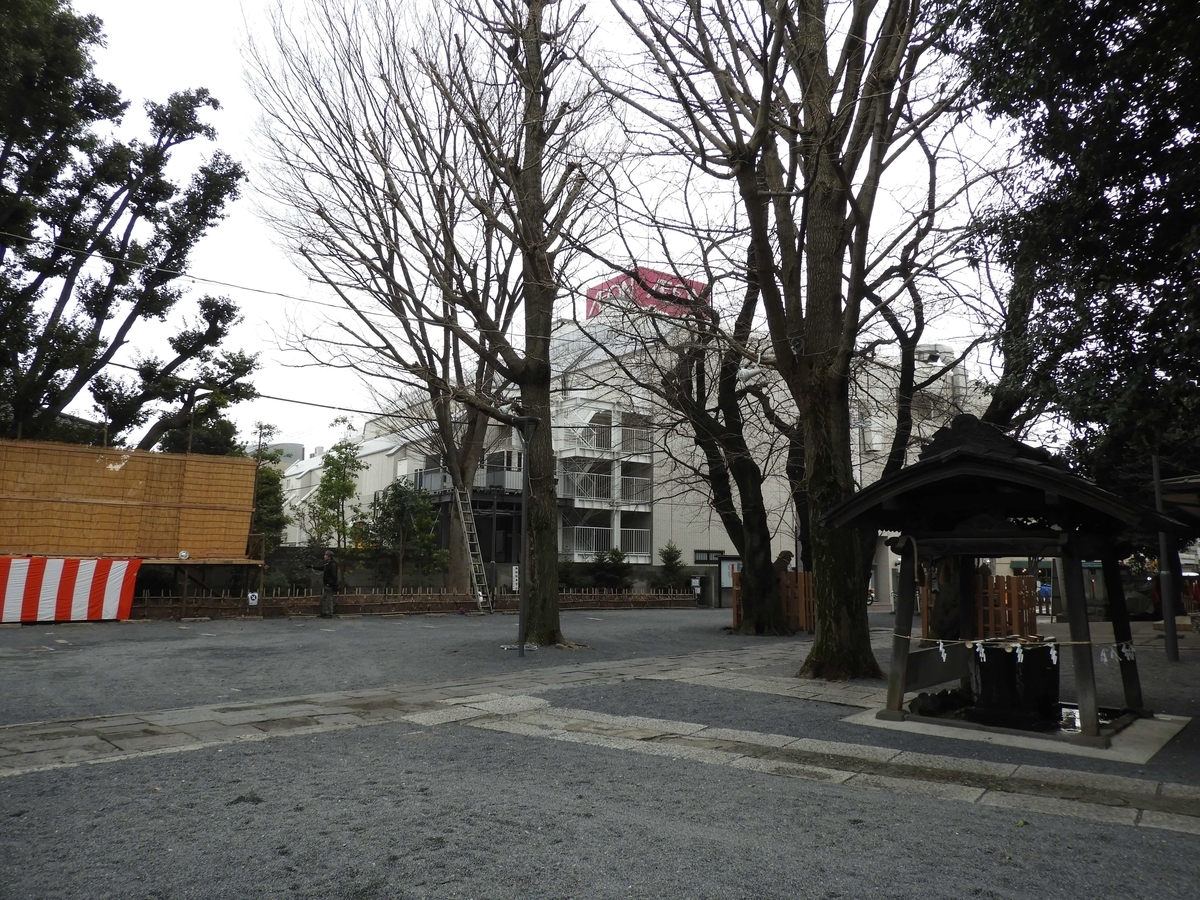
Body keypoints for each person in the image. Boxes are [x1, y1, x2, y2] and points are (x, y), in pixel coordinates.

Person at [311, 550, 338, 618]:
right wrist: (312, 567)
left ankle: (329, 613)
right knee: (323, 599)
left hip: (330, 585)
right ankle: (324, 612)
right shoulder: (327, 564)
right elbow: (321, 567)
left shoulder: (332, 565)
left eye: (325, 555)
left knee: (328, 599)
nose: (324, 556)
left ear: (329, 557)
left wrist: (330, 583)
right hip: (327, 585)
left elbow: (334, 576)